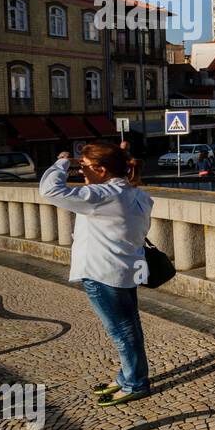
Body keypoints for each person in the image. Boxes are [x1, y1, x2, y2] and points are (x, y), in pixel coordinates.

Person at [39, 141, 154, 406]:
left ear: (101, 170)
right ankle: (127, 377)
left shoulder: (102, 196)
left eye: (85, 168)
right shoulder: (134, 193)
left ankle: (136, 383)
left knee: (122, 332)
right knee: (130, 327)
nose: (82, 173)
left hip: (103, 272)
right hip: (127, 268)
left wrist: (63, 161)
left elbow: (49, 190)